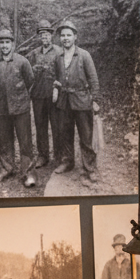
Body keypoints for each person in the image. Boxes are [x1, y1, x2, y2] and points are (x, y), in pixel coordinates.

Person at [51, 20, 100, 182]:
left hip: (82, 100)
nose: (65, 38)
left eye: (69, 35)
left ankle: (90, 167)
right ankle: (67, 162)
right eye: (63, 35)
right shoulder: (58, 57)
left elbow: (93, 79)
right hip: (64, 102)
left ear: (75, 37)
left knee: (86, 136)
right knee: (65, 133)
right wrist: (56, 87)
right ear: (59, 38)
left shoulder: (84, 55)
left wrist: (95, 100)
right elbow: (57, 77)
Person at [0, 27, 36, 186]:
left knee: (25, 140)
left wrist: (21, 98)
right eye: (1, 42)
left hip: (21, 108)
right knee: (4, 140)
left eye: (7, 42)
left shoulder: (22, 61)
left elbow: (30, 81)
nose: (4, 46)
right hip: (2, 108)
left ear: (13, 44)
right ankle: (7, 168)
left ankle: (28, 173)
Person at [28, 20, 58, 167]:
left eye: (46, 34)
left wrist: (58, 89)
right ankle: (43, 155)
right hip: (38, 95)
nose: (44, 37)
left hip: (54, 96)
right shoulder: (34, 54)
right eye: (41, 34)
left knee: (57, 125)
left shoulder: (59, 52)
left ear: (51, 35)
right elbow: (28, 74)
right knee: (40, 126)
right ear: (39, 37)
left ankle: (59, 156)